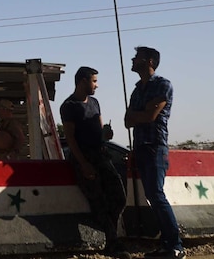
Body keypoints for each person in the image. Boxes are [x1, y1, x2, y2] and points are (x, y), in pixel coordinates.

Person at [60, 66, 129, 259]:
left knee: (118, 197)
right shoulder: (69, 105)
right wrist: (83, 163)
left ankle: (112, 237)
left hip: (101, 155)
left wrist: (106, 135)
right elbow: (71, 138)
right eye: (94, 81)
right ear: (83, 81)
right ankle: (112, 241)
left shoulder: (95, 103)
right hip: (85, 158)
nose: (96, 85)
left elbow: (100, 132)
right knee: (98, 200)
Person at [124, 46, 186, 259]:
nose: (133, 59)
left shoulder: (162, 85)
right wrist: (140, 114)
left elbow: (149, 116)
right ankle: (166, 245)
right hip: (140, 145)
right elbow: (127, 120)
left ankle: (175, 246)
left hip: (155, 145)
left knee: (157, 195)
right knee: (152, 195)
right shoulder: (136, 89)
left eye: (137, 57)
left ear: (149, 61)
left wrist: (137, 115)